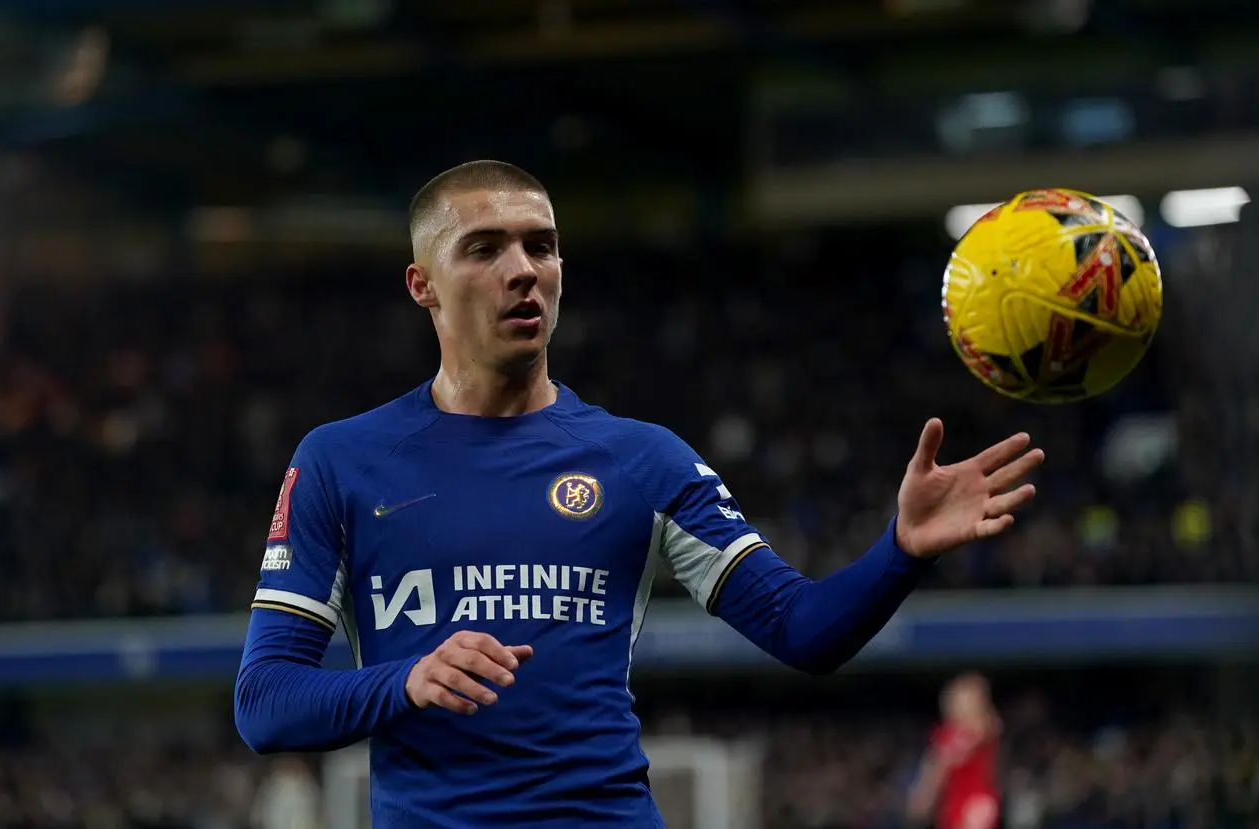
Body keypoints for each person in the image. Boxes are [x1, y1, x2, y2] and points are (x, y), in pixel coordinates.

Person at [233, 160, 1044, 828]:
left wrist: (898, 550)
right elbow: (265, 703)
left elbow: (804, 631)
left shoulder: (642, 460)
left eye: (541, 247)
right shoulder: (342, 461)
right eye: (484, 248)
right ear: (423, 284)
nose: (523, 270)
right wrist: (404, 681)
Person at [907, 673, 1004, 829]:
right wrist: (924, 796)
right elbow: (933, 772)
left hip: (978, 804)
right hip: (953, 809)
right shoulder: (944, 738)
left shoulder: (986, 729)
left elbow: (992, 727)